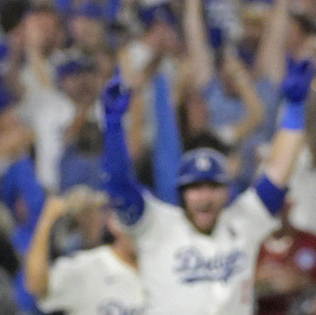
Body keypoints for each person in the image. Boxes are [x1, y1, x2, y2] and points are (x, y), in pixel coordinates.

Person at [101, 60, 314, 315]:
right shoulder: (156, 225)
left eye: (213, 186)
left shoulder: (244, 222)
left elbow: (278, 173)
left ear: (227, 191)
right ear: (182, 193)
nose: (204, 197)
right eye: (195, 187)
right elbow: (118, 186)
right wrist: (113, 127)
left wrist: (294, 108)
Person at [24, 191, 146, 314]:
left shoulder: (159, 264)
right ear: (114, 223)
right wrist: (47, 220)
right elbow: (36, 285)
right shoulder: (88, 267)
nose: (139, 232)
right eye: (133, 223)